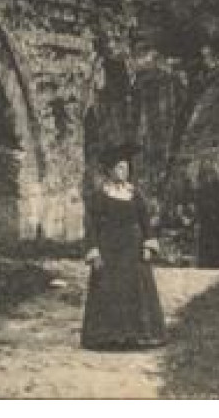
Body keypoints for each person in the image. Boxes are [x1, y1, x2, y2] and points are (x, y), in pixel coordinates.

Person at [80, 146, 165, 350]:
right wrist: (94, 251)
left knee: (136, 290)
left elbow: (146, 222)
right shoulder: (100, 195)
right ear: (110, 170)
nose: (123, 171)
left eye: (125, 168)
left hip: (133, 250)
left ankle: (137, 335)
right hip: (109, 249)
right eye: (119, 168)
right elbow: (91, 225)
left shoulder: (134, 194)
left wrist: (148, 245)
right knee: (109, 288)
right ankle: (108, 336)